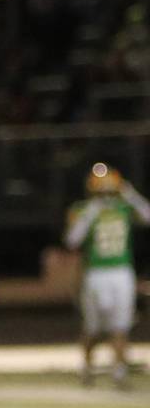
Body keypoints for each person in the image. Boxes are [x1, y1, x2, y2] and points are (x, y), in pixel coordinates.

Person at [64, 162, 149, 388]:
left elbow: (148, 215)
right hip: (96, 273)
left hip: (121, 271)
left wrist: (131, 195)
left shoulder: (124, 207)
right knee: (93, 328)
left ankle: (119, 373)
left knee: (121, 326)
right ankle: (87, 367)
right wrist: (92, 212)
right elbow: (72, 240)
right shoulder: (83, 209)